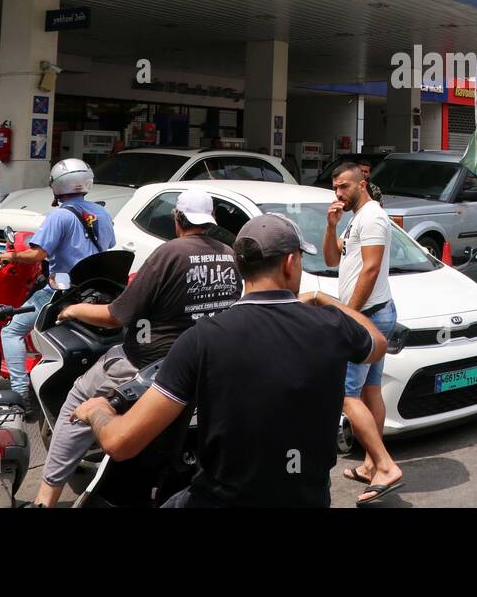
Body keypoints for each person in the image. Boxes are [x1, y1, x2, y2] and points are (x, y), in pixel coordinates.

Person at [70, 214, 387, 507]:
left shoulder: (202, 338)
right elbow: (377, 343)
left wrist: (98, 411)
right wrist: (324, 300)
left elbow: (122, 443)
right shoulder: (332, 325)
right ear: (291, 263)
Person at [27, 190, 238, 507]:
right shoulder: (228, 254)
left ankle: (46, 499)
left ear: (177, 219)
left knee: (80, 397)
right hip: (205, 363)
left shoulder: (169, 253)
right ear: (211, 221)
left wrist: (74, 310)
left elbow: (115, 316)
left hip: (149, 364)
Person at [0, 159, 116, 403]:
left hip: (62, 292)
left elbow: (36, 255)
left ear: (57, 184)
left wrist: (9, 255)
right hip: (95, 289)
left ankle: (20, 393)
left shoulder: (58, 216)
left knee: (11, 331)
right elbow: (109, 245)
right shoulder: (101, 212)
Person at [323, 162, 403, 505]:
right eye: (335, 188)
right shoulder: (357, 217)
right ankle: (371, 464)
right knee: (371, 391)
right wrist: (331, 227)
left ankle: (385, 466)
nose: (339, 194)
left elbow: (370, 269)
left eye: (344, 187)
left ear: (361, 183)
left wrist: (350, 315)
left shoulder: (371, 217)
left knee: (346, 395)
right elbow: (331, 259)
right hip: (374, 314)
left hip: (368, 314)